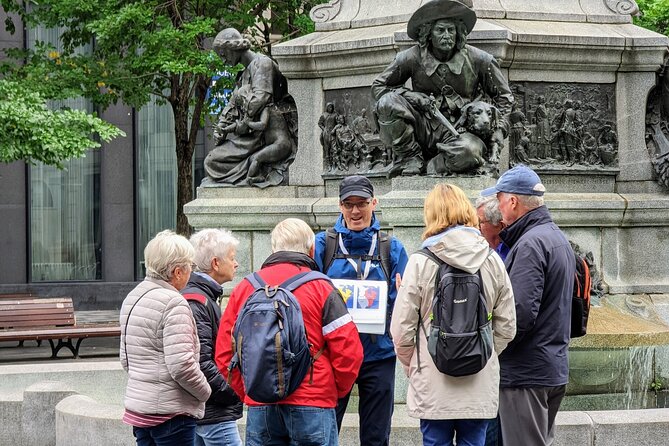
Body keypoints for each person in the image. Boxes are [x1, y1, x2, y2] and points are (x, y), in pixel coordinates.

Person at [215, 218, 364, 446]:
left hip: (261, 403)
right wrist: (334, 390)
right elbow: (349, 350)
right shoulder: (322, 288)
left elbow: (225, 352)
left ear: (273, 248)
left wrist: (248, 390)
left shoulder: (245, 288)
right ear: (311, 249)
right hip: (314, 401)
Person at [390, 183, 516, 446]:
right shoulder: (492, 261)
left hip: (433, 378)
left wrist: (414, 364)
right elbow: (507, 327)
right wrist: (484, 352)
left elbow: (401, 330)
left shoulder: (420, 262)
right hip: (478, 380)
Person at [481, 165, 575, 446]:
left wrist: (489, 348)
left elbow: (519, 316)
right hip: (550, 367)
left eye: (499, 200)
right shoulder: (555, 237)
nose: (497, 208)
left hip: (525, 374)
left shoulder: (530, 245)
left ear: (512, 201)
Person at [314, 175, 409, 446]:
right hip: (334, 356)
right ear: (339, 206)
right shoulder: (323, 244)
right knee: (324, 433)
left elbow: (403, 303)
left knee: (377, 437)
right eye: (348, 204)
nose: (355, 211)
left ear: (374, 203)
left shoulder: (391, 247)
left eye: (362, 203)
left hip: (378, 355)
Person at [371, 0, 513, 176]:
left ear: (458, 32)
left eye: (451, 30)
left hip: (462, 131)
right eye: (440, 30)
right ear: (428, 34)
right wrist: (410, 96)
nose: (446, 35)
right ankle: (411, 158)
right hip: (423, 127)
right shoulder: (409, 58)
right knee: (387, 102)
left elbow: (504, 97)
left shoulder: (481, 60)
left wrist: (499, 129)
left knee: (469, 152)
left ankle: (432, 165)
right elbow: (378, 86)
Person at [120, 230, 211, 446]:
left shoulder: (133, 297)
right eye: (191, 266)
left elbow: (125, 359)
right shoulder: (174, 303)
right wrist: (205, 391)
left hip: (140, 411)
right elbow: (181, 365)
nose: (192, 271)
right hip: (171, 414)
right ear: (177, 272)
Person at [204, 28, 297, 187]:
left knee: (213, 162)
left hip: (266, 132)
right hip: (251, 135)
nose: (224, 61)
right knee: (211, 161)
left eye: (223, 55)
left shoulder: (262, 63)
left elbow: (260, 98)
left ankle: (254, 169)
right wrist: (221, 126)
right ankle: (250, 169)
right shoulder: (243, 73)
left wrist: (236, 124)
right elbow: (232, 105)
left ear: (233, 49)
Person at [182, 229, 243, 446]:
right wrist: (232, 393)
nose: (236, 264)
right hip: (214, 413)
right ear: (216, 263)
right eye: (232, 258)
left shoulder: (202, 296)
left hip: (205, 410)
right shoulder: (198, 301)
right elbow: (200, 362)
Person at [475, 196, 509, 261]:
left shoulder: (512, 253)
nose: (477, 227)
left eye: (481, 222)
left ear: (501, 225)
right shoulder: (480, 250)